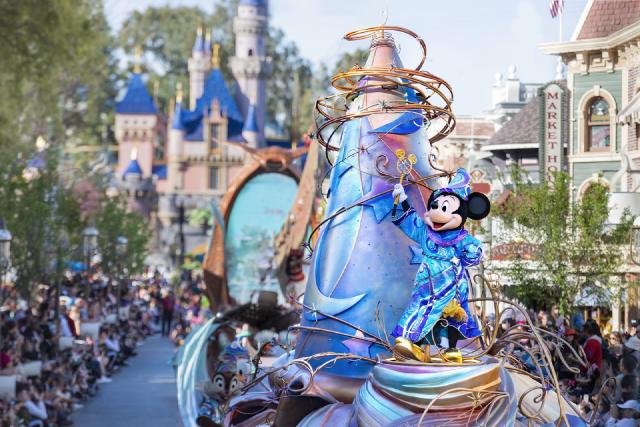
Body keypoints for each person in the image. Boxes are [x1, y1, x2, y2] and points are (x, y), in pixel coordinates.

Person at [390, 168, 491, 362]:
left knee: (451, 317)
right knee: (419, 311)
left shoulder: (461, 238)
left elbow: (473, 254)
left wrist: (474, 251)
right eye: (434, 207)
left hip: (451, 285)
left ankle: (449, 349)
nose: (437, 213)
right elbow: (410, 221)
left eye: (445, 209)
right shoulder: (426, 233)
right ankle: (413, 345)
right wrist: (402, 199)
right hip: (426, 285)